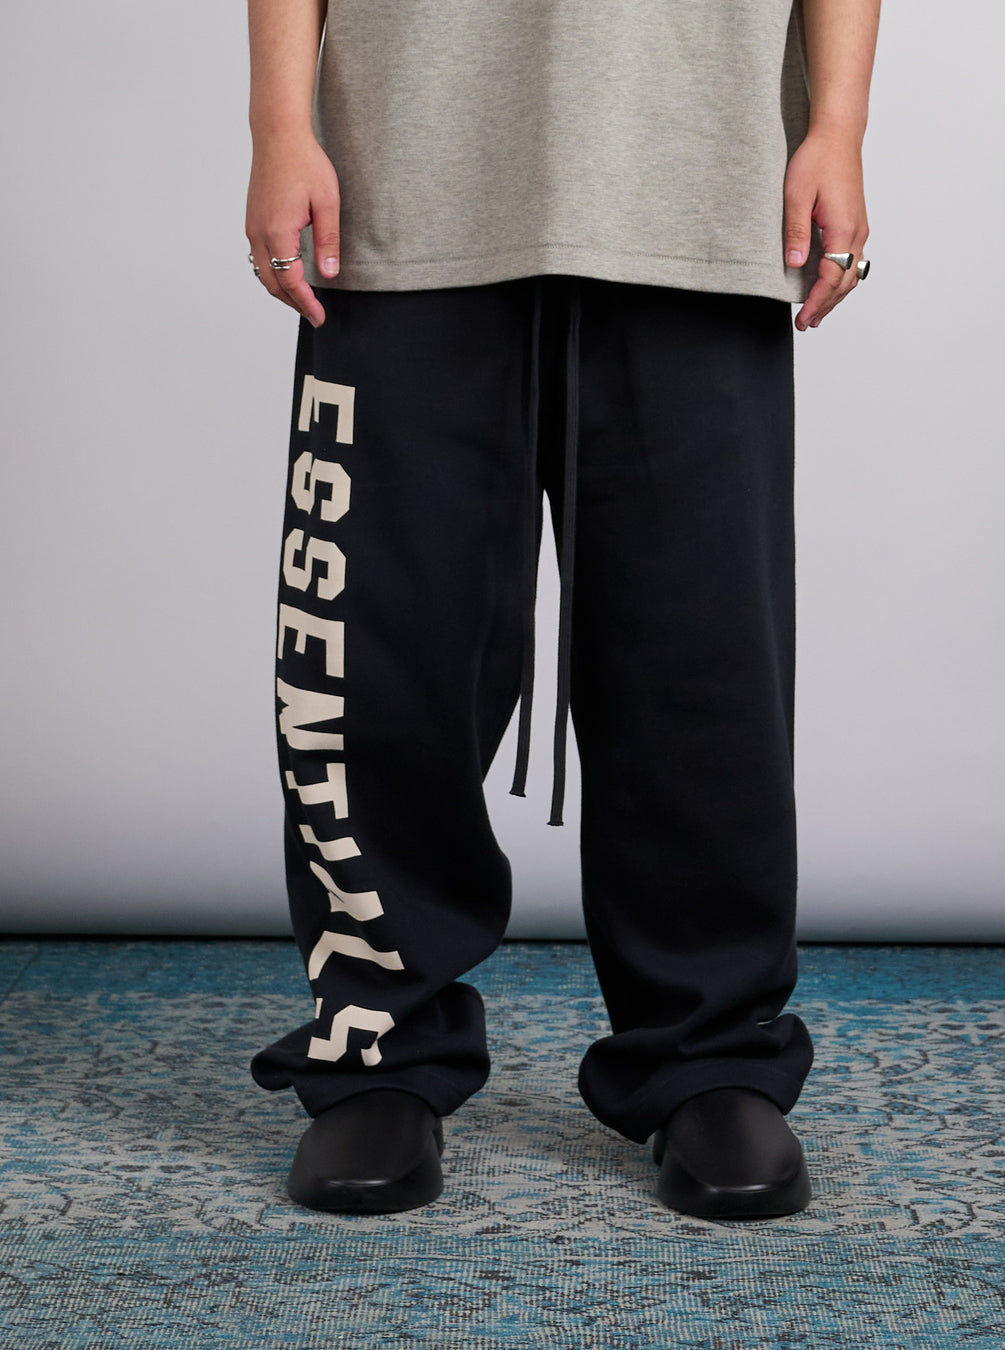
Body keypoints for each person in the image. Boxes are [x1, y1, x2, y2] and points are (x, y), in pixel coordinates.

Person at [243, 0, 878, 1221]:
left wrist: (838, 126)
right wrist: (280, 123)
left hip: (697, 177)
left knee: (705, 660)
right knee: (381, 657)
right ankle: (380, 1044)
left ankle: (710, 1054)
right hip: (406, 171)